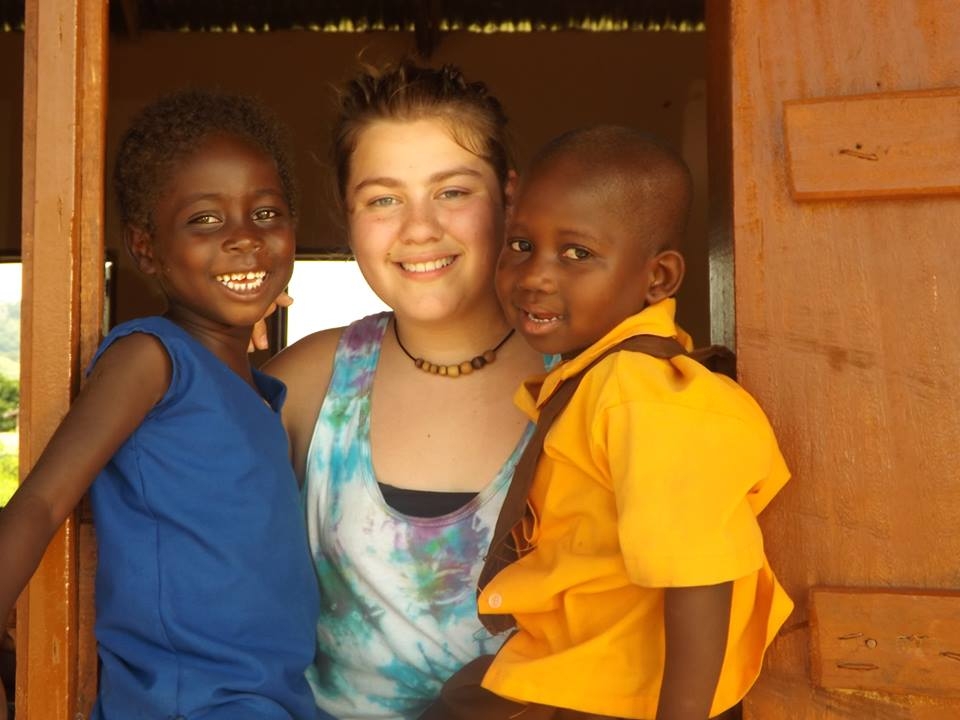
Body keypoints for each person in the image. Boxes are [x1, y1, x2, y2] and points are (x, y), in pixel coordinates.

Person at [420, 126, 794, 720]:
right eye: (521, 245)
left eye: (578, 254)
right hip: (577, 661)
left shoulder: (644, 398)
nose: (537, 275)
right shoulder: (600, 378)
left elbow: (700, 576)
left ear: (659, 279)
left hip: (622, 690)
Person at [0, 89, 330, 720]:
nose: (244, 240)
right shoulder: (154, 359)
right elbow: (40, 502)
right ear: (146, 247)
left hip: (274, 702)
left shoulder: (259, 394)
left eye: (266, 214)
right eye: (205, 220)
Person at [262, 61, 549, 720]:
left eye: (452, 191)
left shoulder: (584, 382)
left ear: (509, 196)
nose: (419, 228)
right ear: (347, 212)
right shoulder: (307, 382)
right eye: (383, 198)